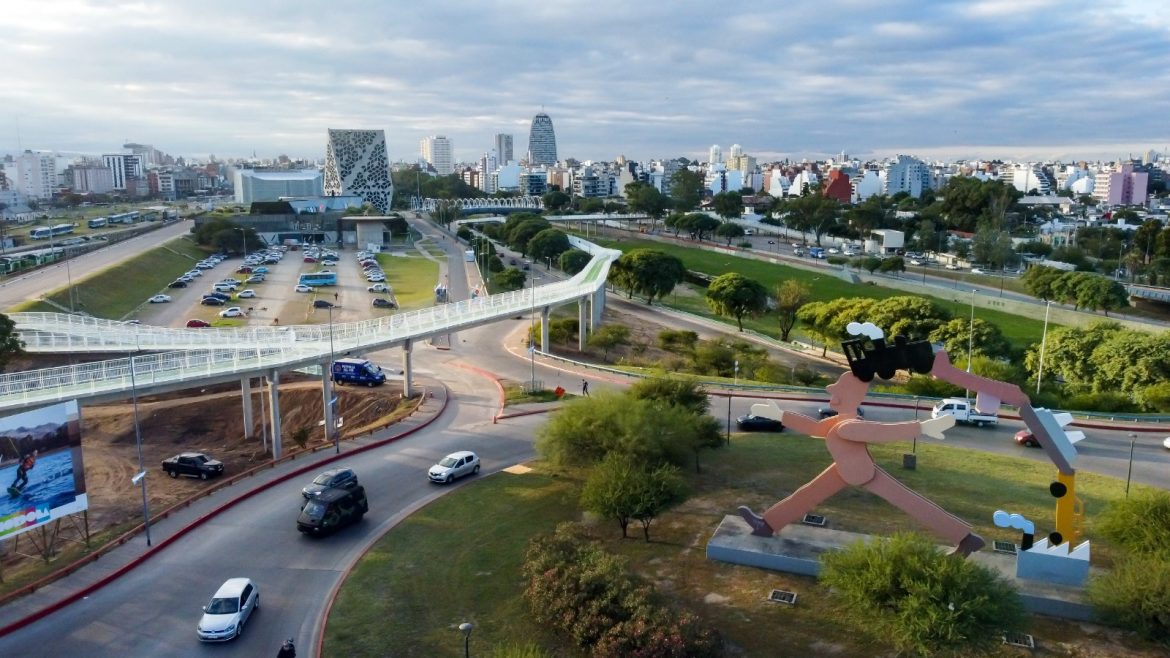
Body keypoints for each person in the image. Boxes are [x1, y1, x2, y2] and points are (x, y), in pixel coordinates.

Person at [737, 371, 984, 557]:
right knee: (805, 496)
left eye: (836, 393)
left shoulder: (850, 426)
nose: (831, 397)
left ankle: (965, 538)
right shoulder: (840, 421)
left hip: (861, 473)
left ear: (846, 397)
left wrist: (921, 427)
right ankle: (767, 524)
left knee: (913, 504)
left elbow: (883, 432)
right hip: (845, 470)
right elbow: (813, 428)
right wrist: (780, 415)